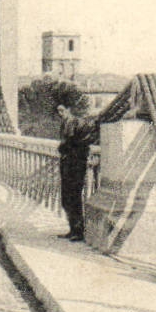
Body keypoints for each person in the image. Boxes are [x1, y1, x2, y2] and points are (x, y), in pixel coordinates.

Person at [56, 103, 98, 241]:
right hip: (69, 164)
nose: (60, 113)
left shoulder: (75, 123)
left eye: (62, 110)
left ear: (69, 109)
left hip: (75, 165)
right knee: (67, 198)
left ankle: (78, 231)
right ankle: (73, 229)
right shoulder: (68, 123)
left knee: (73, 197)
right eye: (58, 111)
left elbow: (69, 144)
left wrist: (64, 148)